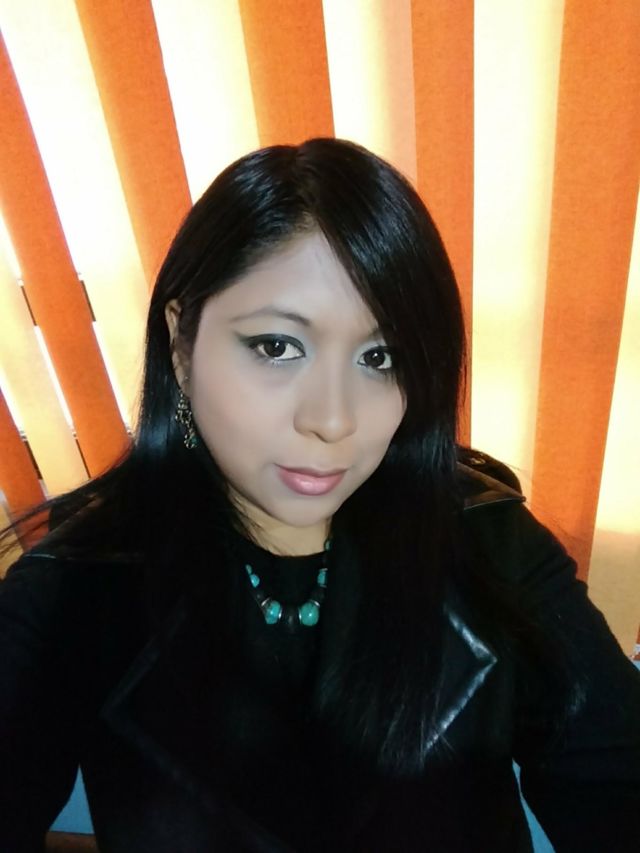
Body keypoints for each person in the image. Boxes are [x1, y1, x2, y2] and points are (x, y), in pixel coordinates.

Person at [0, 138, 639, 853]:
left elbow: (617, 780)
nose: (332, 420)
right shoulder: (76, 588)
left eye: (380, 357)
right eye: (277, 346)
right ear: (182, 343)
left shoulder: (488, 542)